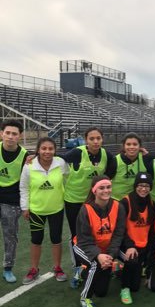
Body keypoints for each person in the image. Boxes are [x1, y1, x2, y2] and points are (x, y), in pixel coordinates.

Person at [62, 127, 114, 286]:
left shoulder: (107, 155)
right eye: (92, 138)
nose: (95, 141)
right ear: (86, 140)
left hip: (92, 203)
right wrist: (33, 158)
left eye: (98, 138)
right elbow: (57, 159)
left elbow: (109, 175)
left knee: (93, 234)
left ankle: (93, 263)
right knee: (76, 235)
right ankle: (77, 268)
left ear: (102, 139)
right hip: (73, 201)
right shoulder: (77, 153)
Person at [19, 137, 69, 284]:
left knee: (56, 239)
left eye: (50, 149)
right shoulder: (29, 165)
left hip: (56, 209)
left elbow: (69, 176)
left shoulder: (60, 163)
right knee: (36, 240)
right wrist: (25, 207)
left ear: (55, 150)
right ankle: (34, 269)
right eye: (44, 148)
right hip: (36, 211)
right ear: (38, 150)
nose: (47, 151)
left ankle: (58, 267)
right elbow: (24, 187)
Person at [73, 176, 126, 307]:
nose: (106, 190)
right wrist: (98, 255)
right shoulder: (85, 209)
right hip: (83, 246)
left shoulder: (117, 206)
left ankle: (83, 273)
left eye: (108, 187)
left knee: (101, 292)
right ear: (94, 191)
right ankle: (85, 298)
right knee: (95, 264)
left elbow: (118, 234)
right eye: (101, 188)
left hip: (106, 250)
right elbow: (84, 240)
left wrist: (110, 255)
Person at [119, 172, 155, 304]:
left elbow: (151, 230)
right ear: (135, 186)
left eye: (147, 186)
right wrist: (129, 245)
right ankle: (124, 288)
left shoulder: (151, 203)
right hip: (126, 245)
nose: (143, 188)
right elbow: (120, 229)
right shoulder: (125, 202)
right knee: (131, 260)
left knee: (135, 287)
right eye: (140, 185)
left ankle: (122, 271)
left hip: (142, 247)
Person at [0, 119, 28, 283]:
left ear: (20, 136)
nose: (10, 136)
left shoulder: (25, 156)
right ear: (1, 133)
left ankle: (8, 268)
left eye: (14, 134)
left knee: (10, 237)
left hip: (11, 203)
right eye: (7, 133)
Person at [107, 133, 151, 201]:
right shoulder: (115, 161)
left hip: (136, 201)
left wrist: (149, 155)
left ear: (140, 146)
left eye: (135, 144)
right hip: (117, 200)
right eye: (128, 144)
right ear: (124, 146)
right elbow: (106, 179)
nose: (132, 147)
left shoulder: (145, 159)